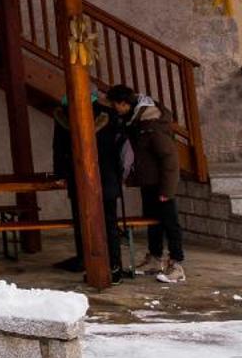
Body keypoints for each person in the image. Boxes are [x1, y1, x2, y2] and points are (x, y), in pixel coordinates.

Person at [109, 84, 186, 283]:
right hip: (149, 182)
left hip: (161, 184)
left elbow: (170, 159)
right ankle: (154, 257)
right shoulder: (136, 122)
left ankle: (177, 265)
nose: (114, 109)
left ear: (124, 104)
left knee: (170, 223)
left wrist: (166, 190)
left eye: (115, 104)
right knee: (153, 221)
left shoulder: (151, 125)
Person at [50, 92, 128, 279]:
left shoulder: (64, 116)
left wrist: (60, 173)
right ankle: (114, 264)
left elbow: (59, 147)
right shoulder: (109, 114)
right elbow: (121, 148)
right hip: (107, 176)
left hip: (80, 177)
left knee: (82, 220)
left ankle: (86, 259)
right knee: (109, 221)